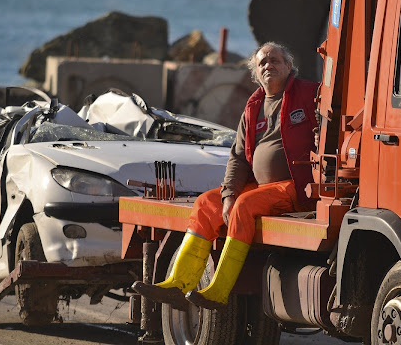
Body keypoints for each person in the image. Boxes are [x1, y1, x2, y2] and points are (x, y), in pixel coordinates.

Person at [132, 42, 319, 310]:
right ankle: (178, 284)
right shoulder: (253, 106)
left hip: (296, 187)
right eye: (263, 62)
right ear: (256, 73)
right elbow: (239, 158)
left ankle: (218, 291)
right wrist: (229, 194)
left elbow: (337, 116)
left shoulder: (310, 93)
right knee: (206, 204)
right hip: (261, 187)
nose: (269, 65)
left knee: (244, 206)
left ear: (289, 66)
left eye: (275, 60)